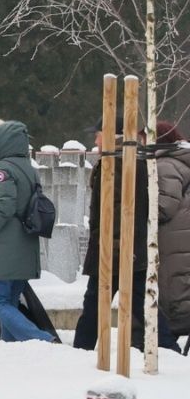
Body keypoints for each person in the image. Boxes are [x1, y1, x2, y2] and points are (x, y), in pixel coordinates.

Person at [74, 118, 177, 351]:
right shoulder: (123, 160)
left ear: (113, 136)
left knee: (96, 303)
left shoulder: (117, 163)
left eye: (98, 134)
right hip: (124, 248)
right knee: (138, 300)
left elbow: (119, 208)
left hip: (117, 249)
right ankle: (168, 347)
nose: (95, 140)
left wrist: (115, 246)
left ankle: (82, 349)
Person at [0, 118, 56, 343]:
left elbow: (5, 206)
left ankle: (41, 339)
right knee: (9, 302)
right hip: (25, 246)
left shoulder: (2, 169)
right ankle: (10, 348)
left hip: (4, 247)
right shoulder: (29, 169)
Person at [154, 121, 190, 352]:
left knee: (170, 295)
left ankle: (168, 349)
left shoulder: (165, 164)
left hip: (171, 240)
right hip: (178, 237)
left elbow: (164, 205)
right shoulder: (175, 160)